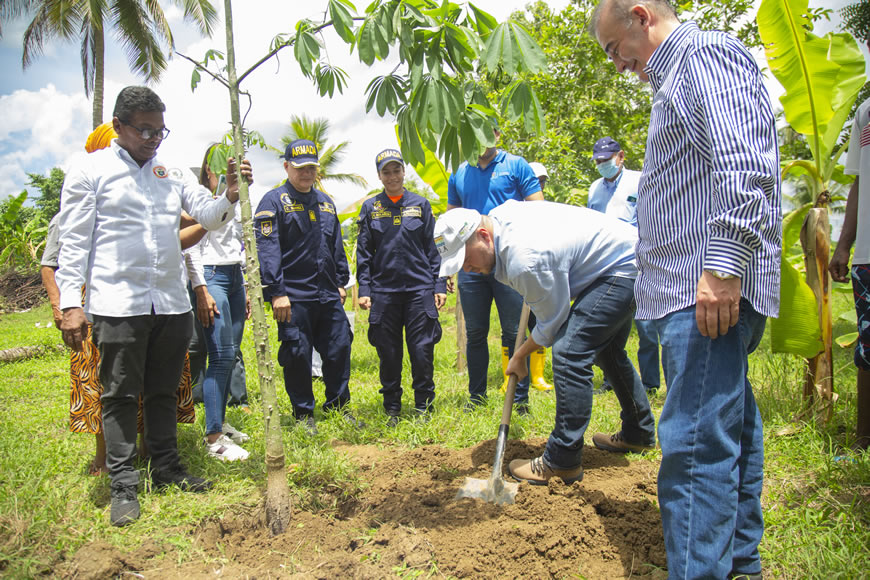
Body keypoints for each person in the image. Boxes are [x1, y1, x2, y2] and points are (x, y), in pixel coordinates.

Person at [591, 2, 782, 578]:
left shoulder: (704, 56)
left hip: (704, 285)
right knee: (730, 430)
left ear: (640, 16)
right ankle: (739, 564)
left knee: (694, 448)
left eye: (614, 48)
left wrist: (722, 267)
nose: (617, 64)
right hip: (688, 288)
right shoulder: (675, 77)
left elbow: (745, 165)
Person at [56, 86, 249, 527]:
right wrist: (70, 304)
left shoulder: (171, 172)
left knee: (163, 391)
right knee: (120, 395)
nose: (153, 139)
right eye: (144, 130)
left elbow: (208, 216)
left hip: (170, 304)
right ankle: (123, 485)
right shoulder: (90, 170)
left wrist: (231, 195)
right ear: (118, 126)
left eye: (160, 131)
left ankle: (166, 469)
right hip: (117, 304)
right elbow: (74, 243)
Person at [434, 201, 656, 484]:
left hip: (623, 266)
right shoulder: (499, 219)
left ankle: (562, 460)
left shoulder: (524, 259)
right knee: (607, 349)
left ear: (484, 235)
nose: (466, 268)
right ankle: (638, 432)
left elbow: (553, 322)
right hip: (623, 258)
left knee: (569, 351)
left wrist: (520, 356)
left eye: (465, 258)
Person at [41, 122, 198, 477]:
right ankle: (108, 459)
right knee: (108, 384)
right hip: (97, 302)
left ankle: (151, 452)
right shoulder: (79, 199)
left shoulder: (150, 194)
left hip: (154, 301)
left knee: (154, 381)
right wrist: (62, 306)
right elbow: (51, 264)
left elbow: (187, 221)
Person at [254, 139, 361, 435]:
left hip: (327, 294)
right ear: (287, 167)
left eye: (311, 167)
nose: (306, 173)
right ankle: (303, 414)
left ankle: (339, 407)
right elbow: (268, 250)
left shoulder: (326, 202)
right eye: (300, 168)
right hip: (293, 297)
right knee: (298, 355)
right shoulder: (273, 202)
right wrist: (277, 292)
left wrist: (340, 282)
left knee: (339, 348)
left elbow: (335, 245)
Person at [446, 126, 545, 411]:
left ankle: (519, 399)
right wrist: (451, 267)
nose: (479, 138)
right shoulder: (459, 172)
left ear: (497, 135)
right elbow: (452, 222)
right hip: (471, 266)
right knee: (475, 332)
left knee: (514, 331)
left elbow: (538, 209)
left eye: (486, 132)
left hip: (508, 262)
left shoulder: (516, 165)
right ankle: (476, 396)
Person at [356, 148, 446, 426]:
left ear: (404, 172)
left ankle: (423, 407)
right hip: (384, 293)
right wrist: (364, 290)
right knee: (389, 353)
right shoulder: (371, 208)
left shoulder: (421, 205)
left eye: (397, 170)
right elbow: (364, 253)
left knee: (422, 351)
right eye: (387, 172)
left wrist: (439, 284)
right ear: (379, 176)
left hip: (419, 291)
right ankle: (392, 408)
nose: (392, 176)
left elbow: (435, 248)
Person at [187, 143, 254, 461]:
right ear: (208, 170)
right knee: (220, 355)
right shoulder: (197, 199)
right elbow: (191, 247)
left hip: (234, 275)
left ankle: (222, 423)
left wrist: (246, 284)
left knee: (231, 354)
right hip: (211, 274)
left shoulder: (237, 196)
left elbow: (241, 241)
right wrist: (201, 288)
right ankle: (213, 437)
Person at [587, 137, 663, 397]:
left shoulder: (639, 181)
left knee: (646, 327)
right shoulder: (595, 188)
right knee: (610, 325)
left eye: (606, 160)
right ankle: (611, 379)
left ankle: (650, 384)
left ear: (620, 156)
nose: (602, 164)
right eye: (598, 161)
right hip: (607, 264)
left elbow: (653, 218)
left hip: (639, 262)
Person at [830, 95, 870, 452]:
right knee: (868, 349)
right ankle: (863, 441)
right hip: (868, 257)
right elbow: (859, 182)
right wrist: (844, 245)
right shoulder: (866, 111)